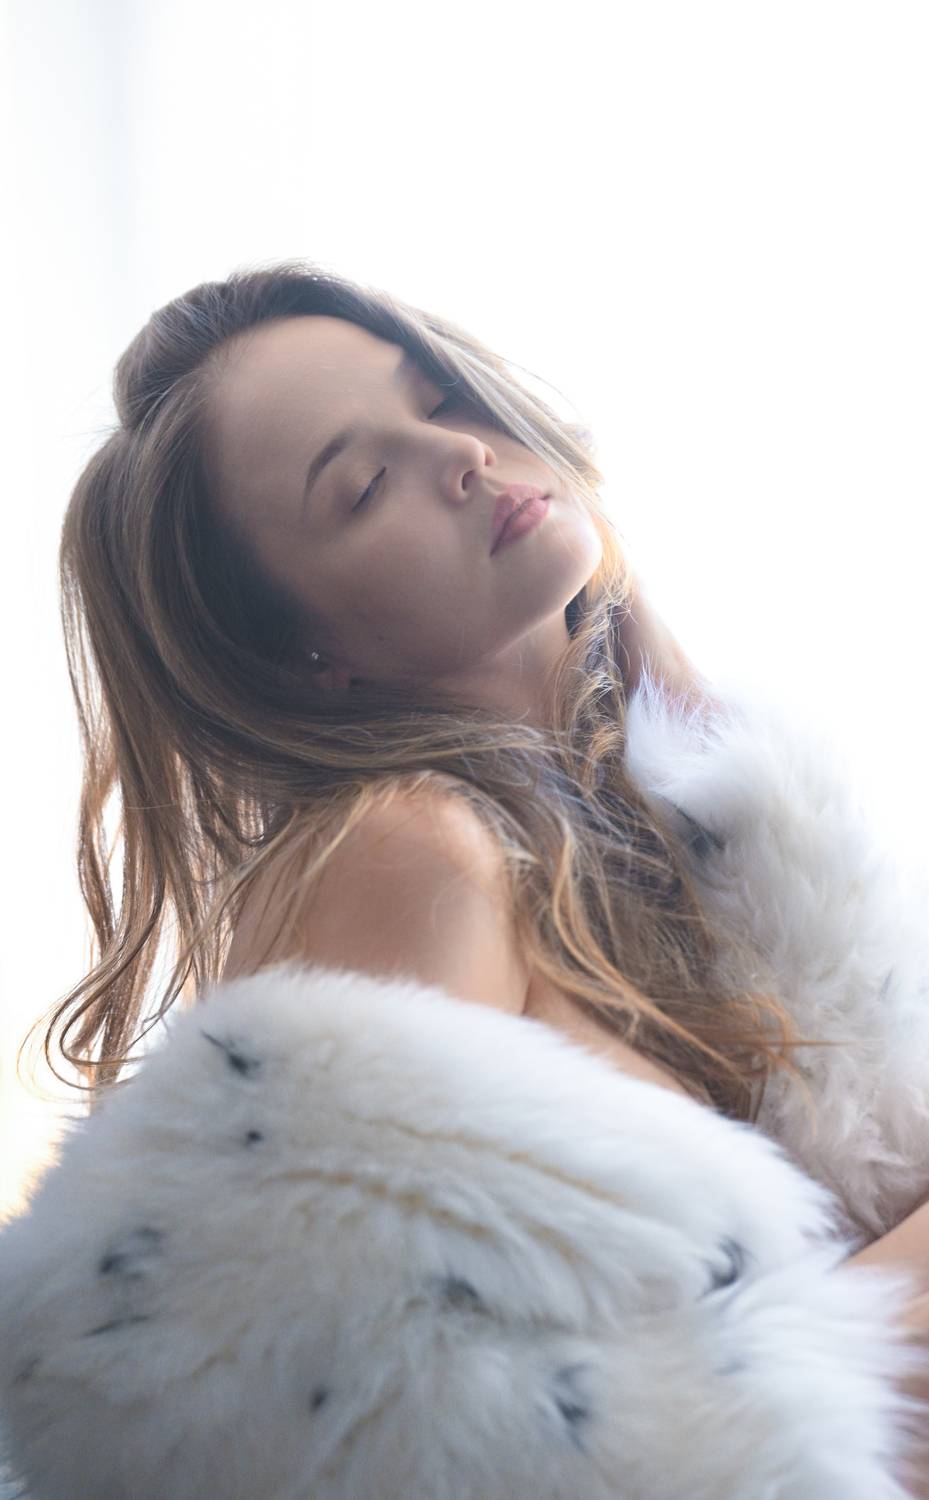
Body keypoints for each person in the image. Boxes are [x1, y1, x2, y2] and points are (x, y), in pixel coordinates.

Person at [23, 258, 820, 1124]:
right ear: (296, 657)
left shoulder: (640, 801)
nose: (462, 453)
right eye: (365, 485)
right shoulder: (405, 850)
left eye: (439, 400)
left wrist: (671, 676)